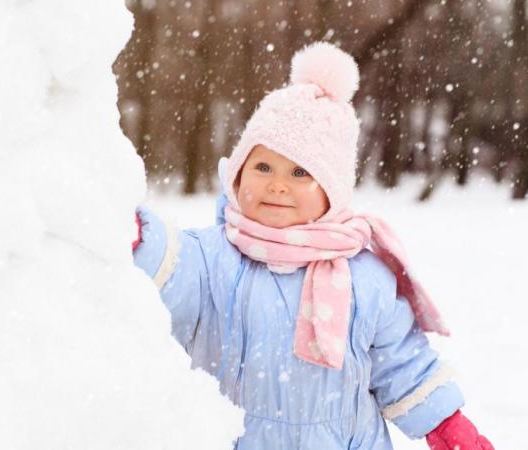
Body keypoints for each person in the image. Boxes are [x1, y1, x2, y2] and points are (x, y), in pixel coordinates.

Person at [132, 42, 494, 450]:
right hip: (236, 439)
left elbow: (400, 362)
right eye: (262, 166)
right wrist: (136, 236)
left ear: (332, 192)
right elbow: (169, 269)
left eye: (300, 171)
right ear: (237, 175)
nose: (277, 184)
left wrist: (444, 422)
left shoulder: (365, 277)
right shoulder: (214, 257)